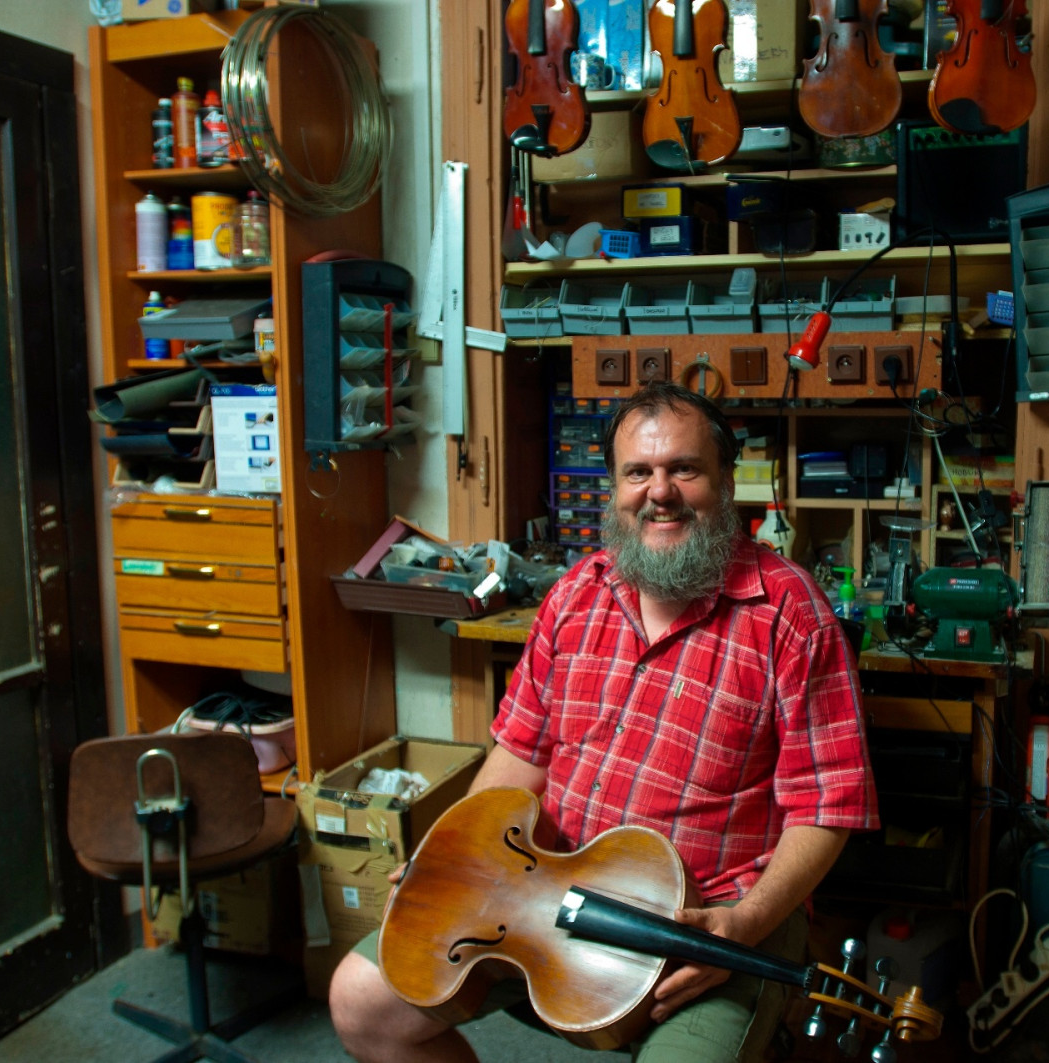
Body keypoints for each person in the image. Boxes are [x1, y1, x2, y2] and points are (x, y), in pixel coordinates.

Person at [330, 382, 878, 1063]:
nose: (660, 492)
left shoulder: (793, 617)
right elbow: (521, 754)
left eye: (684, 468)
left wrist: (746, 923)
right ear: (614, 487)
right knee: (361, 1002)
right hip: (541, 896)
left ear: (726, 481)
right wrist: (452, 863)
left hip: (707, 922)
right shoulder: (575, 594)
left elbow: (827, 808)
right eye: (637, 472)